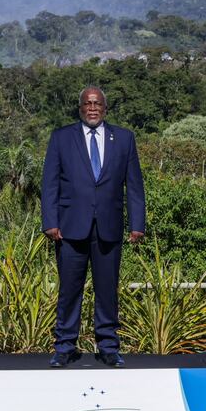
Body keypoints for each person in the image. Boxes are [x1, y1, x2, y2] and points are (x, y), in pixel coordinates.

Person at [41, 86, 145, 368]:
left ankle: (108, 346)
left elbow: (134, 184)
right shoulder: (61, 137)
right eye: (87, 103)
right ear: (80, 108)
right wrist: (50, 221)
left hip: (109, 228)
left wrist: (137, 223)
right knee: (69, 290)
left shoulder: (123, 138)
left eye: (97, 103)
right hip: (70, 228)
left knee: (107, 290)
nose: (92, 107)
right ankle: (64, 347)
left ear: (105, 108)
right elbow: (49, 182)